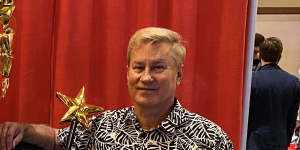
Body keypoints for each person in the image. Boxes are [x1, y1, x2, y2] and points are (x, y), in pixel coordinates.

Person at [0, 27, 233, 150]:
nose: (146, 77)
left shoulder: (211, 139)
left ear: (179, 74)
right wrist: (25, 130)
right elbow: (55, 140)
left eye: (159, 67)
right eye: (138, 67)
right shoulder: (102, 126)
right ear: (127, 72)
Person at [247, 37, 300, 150]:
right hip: (280, 141)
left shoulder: (251, 80)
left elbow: (247, 116)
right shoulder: (293, 82)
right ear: (279, 57)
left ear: (260, 55)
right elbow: (291, 118)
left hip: (255, 141)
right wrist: (285, 141)